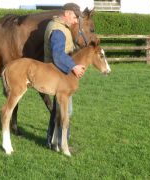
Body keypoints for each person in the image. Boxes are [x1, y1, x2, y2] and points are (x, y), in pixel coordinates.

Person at [44, 3, 86, 149]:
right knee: (64, 110)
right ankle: (59, 142)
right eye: (75, 17)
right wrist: (73, 66)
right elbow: (58, 55)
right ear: (67, 13)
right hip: (58, 74)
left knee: (61, 109)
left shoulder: (60, 27)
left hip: (59, 73)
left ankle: (56, 141)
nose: (75, 21)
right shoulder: (58, 30)